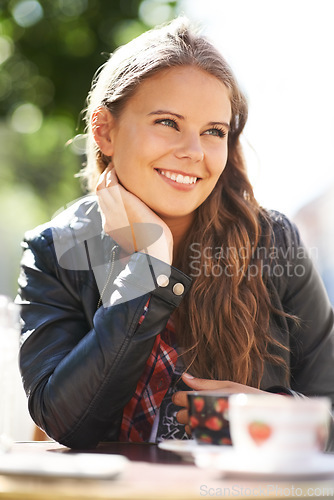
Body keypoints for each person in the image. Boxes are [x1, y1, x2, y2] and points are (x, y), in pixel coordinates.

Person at [17, 17, 334, 450]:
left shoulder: (273, 241)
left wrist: (278, 413)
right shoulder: (55, 250)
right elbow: (66, 423)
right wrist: (149, 268)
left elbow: (327, 407)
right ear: (104, 130)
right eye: (168, 122)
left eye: (213, 132)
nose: (193, 152)